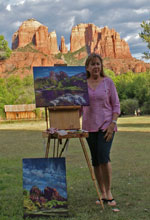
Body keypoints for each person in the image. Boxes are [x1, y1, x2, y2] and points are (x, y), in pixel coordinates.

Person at [82, 53, 120, 206]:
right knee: (96, 161)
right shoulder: (82, 85)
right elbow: (78, 106)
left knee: (104, 158)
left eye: (98, 63)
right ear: (87, 67)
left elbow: (116, 105)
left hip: (106, 126)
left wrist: (113, 124)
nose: (96, 66)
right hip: (89, 127)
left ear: (101, 66)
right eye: (93, 64)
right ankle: (102, 192)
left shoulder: (108, 82)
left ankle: (109, 192)